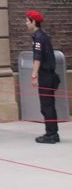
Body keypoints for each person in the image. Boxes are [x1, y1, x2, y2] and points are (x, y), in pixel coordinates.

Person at [25, 10, 59, 144]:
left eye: (27, 21)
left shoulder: (38, 38)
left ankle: (51, 134)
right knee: (49, 105)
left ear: (33, 22)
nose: (26, 23)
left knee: (46, 106)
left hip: (46, 75)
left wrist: (34, 75)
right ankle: (53, 133)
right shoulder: (42, 36)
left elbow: (37, 58)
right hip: (48, 75)